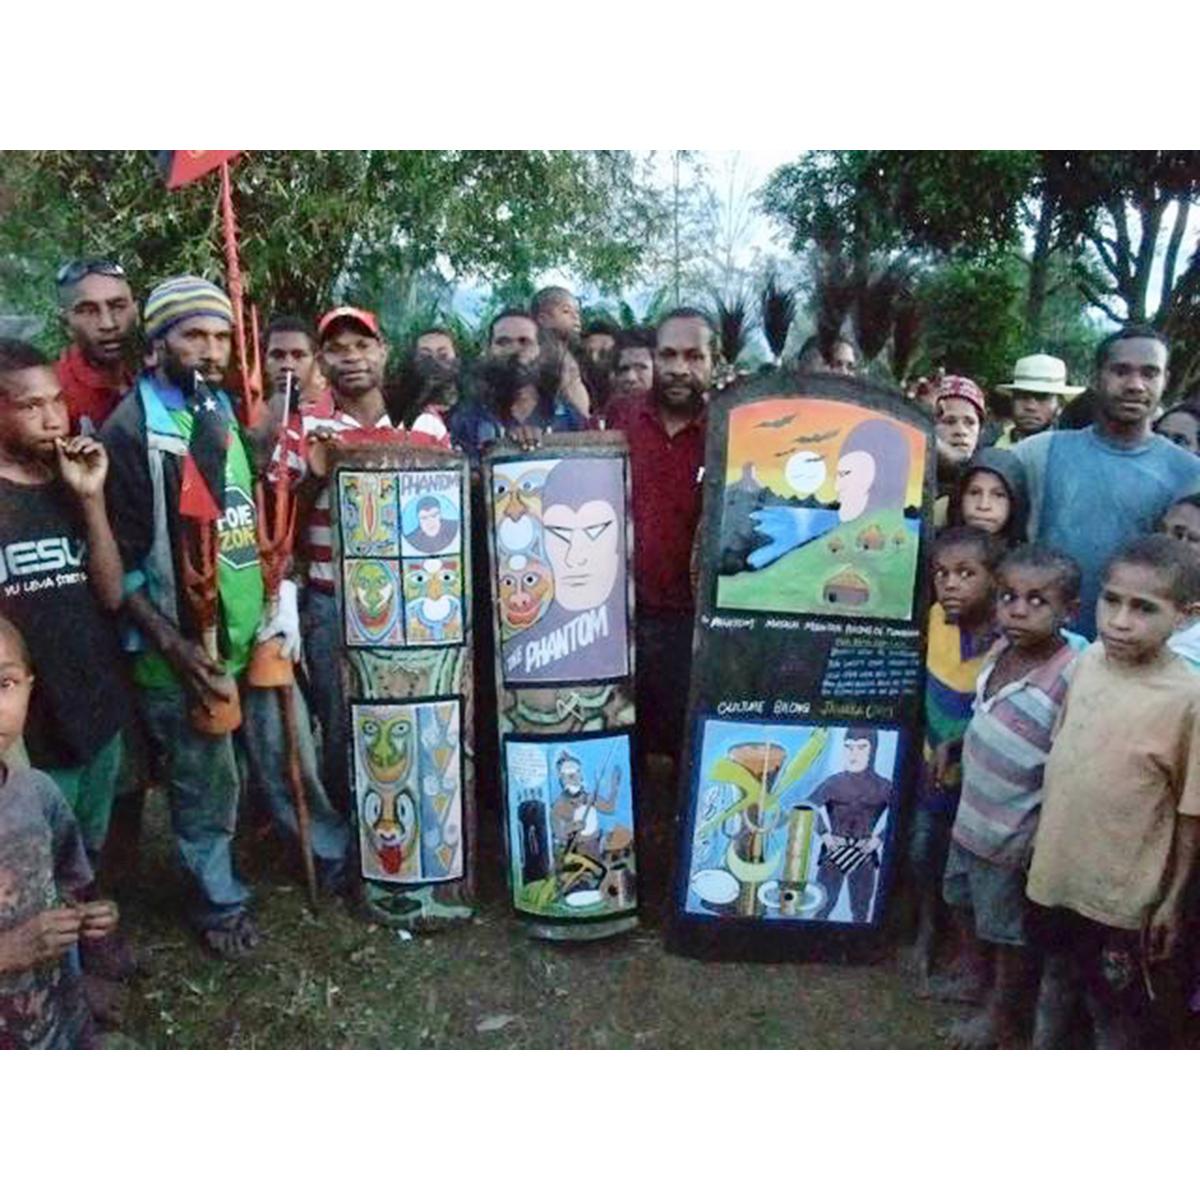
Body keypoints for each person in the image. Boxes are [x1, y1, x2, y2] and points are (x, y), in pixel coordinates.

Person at [102, 277, 349, 958]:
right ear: (157, 347)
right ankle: (218, 900)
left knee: (287, 747)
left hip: (250, 628)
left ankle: (327, 856)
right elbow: (119, 569)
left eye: (219, 336)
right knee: (205, 781)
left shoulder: (218, 404)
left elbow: (243, 508)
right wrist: (175, 646)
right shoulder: (133, 430)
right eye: (193, 336)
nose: (211, 350)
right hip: (183, 646)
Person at [0, 340, 136, 999]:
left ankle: (90, 940)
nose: (55, 419)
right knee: (33, 854)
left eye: (57, 401)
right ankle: (59, 984)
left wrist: (90, 500)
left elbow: (110, 593)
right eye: (32, 407)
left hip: (95, 703)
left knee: (87, 845)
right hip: (30, 720)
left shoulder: (68, 483)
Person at [1027, 535, 1200, 1049]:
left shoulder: (1187, 699)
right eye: (1112, 600)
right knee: (1054, 983)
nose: (1120, 620)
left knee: (1115, 1011)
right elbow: (1065, 761)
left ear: (1187, 616)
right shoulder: (1088, 662)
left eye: (1143, 608)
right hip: (1058, 874)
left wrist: (1171, 900)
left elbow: (1191, 812)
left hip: (1123, 898)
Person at [941, 545, 1082, 1048]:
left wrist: (1040, 836)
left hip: (1013, 836)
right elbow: (990, 714)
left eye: (1036, 601)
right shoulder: (1001, 650)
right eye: (1008, 597)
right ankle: (974, 980)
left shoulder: (1072, 674)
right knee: (961, 902)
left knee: (1008, 935)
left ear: (1070, 611)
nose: (1018, 610)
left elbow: (1068, 764)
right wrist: (956, 744)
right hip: (971, 820)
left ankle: (999, 1018)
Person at [272, 305, 410, 817]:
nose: (351, 358)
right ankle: (349, 835)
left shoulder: (420, 424)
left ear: (383, 351)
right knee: (340, 717)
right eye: (336, 348)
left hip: (413, 607)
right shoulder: (303, 427)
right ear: (321, 361)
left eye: (362, 345)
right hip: (333, 600)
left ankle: (404, 816)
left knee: (402, 713)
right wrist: (315, 474)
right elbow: (281, 523)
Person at [1011, 326, 1200, 639]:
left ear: (1165, 380)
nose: (1136, 385)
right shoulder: (1039, 453)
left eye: (1149, 373)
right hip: (1040, 648)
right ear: (1095, 377)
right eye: (1121, 371)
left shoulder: (1191, 475)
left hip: (1139, 658)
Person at [0, 616, 120, 1049]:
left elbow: (70, 885)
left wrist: (89, 916)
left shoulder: (40, 794)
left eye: (5, 684)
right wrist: (9, 950)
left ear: (30, 688)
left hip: (56, 1021)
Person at [609, 308, 711, 764]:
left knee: (685, 751)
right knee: (620, 745)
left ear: (715, 362)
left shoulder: (732, 431)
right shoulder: (619, 419)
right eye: (667, 354)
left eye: (694, 355)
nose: (678, 368)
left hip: (696, 627)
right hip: (619, 620)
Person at [908, 525, 1002, 985]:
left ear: (995, 579)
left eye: (966, 573)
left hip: (984, 782)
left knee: (970, 870)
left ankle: (972, 958)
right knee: (925, 851)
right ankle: (927, 932)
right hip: (934, 770)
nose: (950, 583)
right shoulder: (934, 621)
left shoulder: (1008, 643)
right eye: (942, 573)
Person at [449, 310, 585, 464]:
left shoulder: (566, 416)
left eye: (524, 341)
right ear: (488, 351)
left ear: (540, 351)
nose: (514, 349)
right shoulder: (468, 418)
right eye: (503, 342)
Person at [54, 258, 139, 434]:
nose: (108, 324)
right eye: (89, 311)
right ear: (65, 324)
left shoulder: (158, 371)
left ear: (136, 311)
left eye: (118, 306)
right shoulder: (55, 393)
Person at [992, 353, 1082, 447]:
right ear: (1012, 400)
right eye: (1022, 396)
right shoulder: (989, 442)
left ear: (1060, 404)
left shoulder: (1072, 449)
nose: (1030, 407)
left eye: (1042, 397)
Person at [947, 446, 1029, 547]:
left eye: (999, 495)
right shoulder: (935, 553)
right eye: (974, 493)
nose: (983, 506)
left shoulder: (1027, 560)